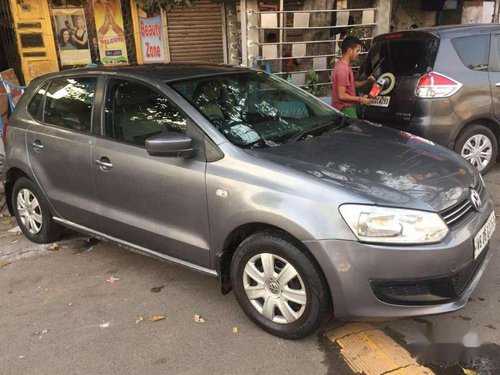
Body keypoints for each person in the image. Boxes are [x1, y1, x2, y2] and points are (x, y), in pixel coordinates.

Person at [331, 35, 373, 118]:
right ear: (349, 50)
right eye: (357, 51)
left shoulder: (341, 65)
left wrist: (366, 81)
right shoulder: (343, 69)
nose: (358, 54)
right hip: (345, 109)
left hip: (345, 108)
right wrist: (361, 99)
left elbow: (351, 85)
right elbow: (342, 95)